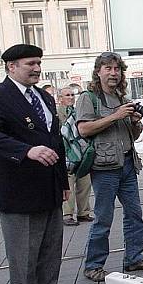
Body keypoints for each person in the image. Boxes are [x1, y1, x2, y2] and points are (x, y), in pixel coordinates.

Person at [0, 44, 78, 284]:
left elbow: (55, 140)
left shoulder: (44, 96)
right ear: (11, 66)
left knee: (50, 249)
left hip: (49, 188)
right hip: (18, 190)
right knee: (24, 253)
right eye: (30, 63)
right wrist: (25, 151)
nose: (36, 68)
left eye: (38, 63)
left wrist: (62, 181)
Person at [75, 52, 143, 282]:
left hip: (128, 164)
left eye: (117, 69)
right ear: (98, 71)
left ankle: (134, 258)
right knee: (103, 218)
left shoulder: (121, 97)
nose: (113, 73)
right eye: (108, 69)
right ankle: (93, 266)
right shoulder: (88, 97)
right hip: (104, 168)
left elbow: (132, 135)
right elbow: (84, 129)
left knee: (134, 215)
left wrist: (134, 123)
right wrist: (116, 116)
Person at [56, 87, 93, 226]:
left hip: (82, 153)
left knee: (84, 182)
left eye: (72, 95)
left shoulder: (79, 112)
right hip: (66, 154)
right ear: (60, 99)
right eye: (67, 95)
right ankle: (68, 214)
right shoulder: (57, 114)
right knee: (68, 184)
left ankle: (84, 213)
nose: (71, 97)